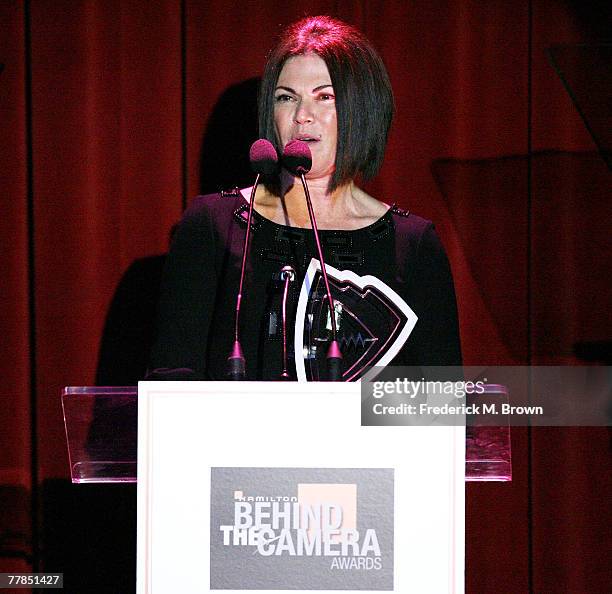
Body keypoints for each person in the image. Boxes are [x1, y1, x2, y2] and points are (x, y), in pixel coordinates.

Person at [148, 15, 461, 381]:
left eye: (325, 97)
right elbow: (169, 382)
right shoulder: (213, 225)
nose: (301, 116)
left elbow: (441, 403)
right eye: (286, 98)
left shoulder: (413, 245)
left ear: (363, 109)